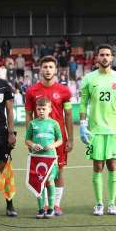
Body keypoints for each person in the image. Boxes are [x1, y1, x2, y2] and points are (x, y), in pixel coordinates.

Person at [79, 45, 116, 216]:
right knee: (97, 166)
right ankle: (99, 203)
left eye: (108, 55)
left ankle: (112, 204)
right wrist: (82, 125)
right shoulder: (88, 78)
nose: (105, 57)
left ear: (112, 58)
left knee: (113, 166)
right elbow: (83, 103)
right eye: (102, 55)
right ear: (97, 57)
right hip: (95, 131)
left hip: (113, 130)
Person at [25, 56, 73, 216]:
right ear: (40, 69)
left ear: (56, 70)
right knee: (40, 172)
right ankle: (44, 205)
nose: (47, 70)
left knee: (59, 171)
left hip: (57, 141)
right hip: (38, 141)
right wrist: (29, 140)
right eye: (45, 67)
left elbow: (68, 115)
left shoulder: (64, 91)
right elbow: (28, 115)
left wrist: (70, 139)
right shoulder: (32, 91)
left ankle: (56, 205)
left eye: (51, 67)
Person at [25, 98, 63, 219]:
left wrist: (52, 145)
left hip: (51, 159)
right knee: (39, 183)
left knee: (50, 181)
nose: (41, 111)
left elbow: (60, 140)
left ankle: (51, 208)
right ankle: (41, 209)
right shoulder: (33, 124)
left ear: (50, 109)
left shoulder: (54, 124)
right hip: (37, 159)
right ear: (36, 110)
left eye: (44, 109)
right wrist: (33, 145)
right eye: (39, 109)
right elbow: (27, 140)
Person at [0, 76, 17, 217]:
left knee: (5, 169)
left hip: (0, 132)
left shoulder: (3, 85)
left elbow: (9, 110)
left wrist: (11, 132)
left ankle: (10, 204)